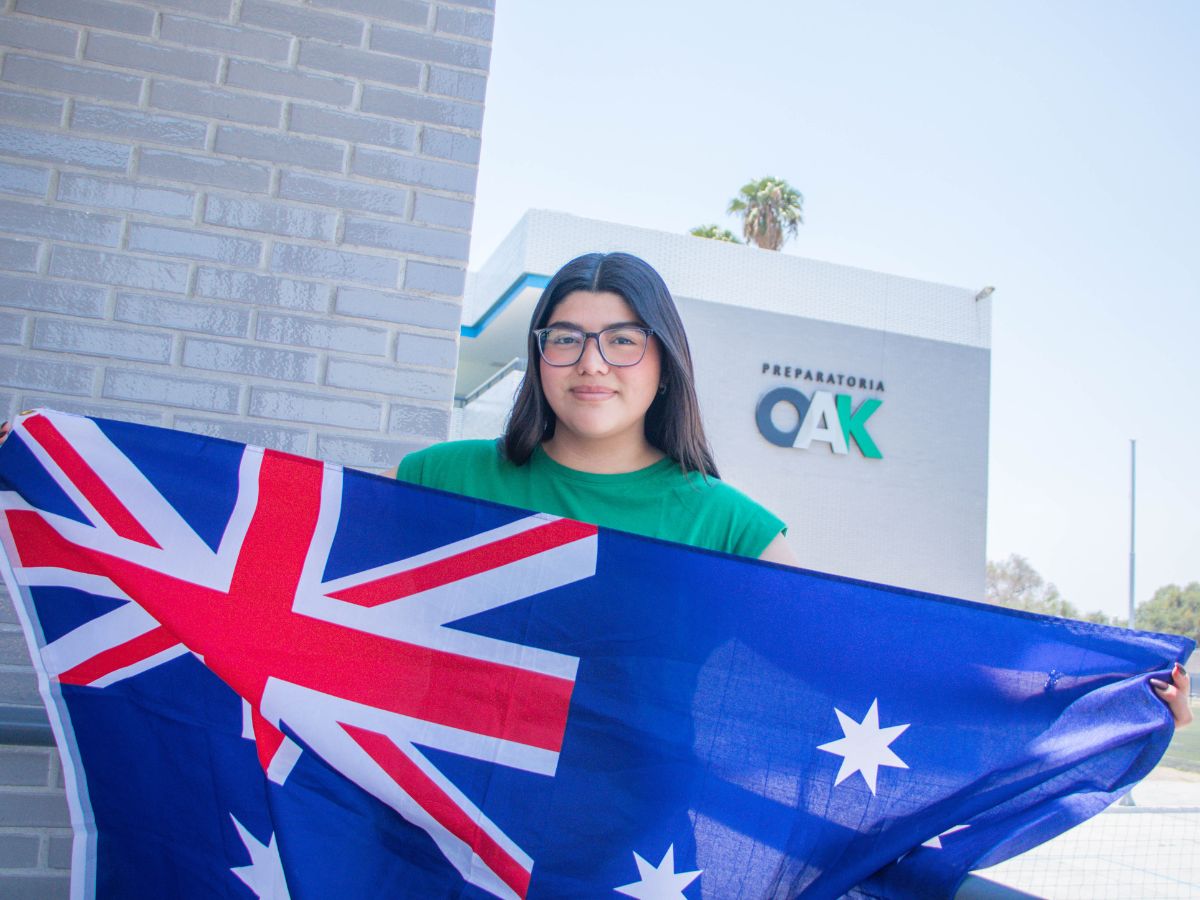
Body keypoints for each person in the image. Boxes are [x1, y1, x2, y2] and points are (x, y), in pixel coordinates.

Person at [389, 251, 796, 565]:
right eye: (565, 339)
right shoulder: (443, 477)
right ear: (538, 358)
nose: (591, 364)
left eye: (622, 340)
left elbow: (832, 661)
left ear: (666, 366)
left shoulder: (726, 527)